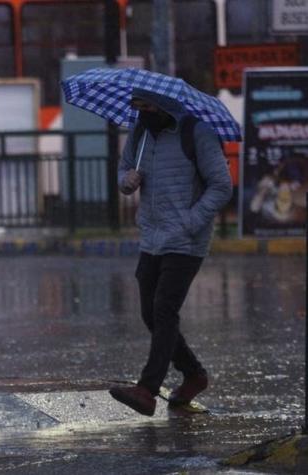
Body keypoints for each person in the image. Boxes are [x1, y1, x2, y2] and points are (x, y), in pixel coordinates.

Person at [109, 89, 232, 416]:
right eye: (137, 107)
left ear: (164, 105)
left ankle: (147, 389)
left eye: (147, 106)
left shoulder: (197, 133)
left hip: (186, 240)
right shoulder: (141, 133)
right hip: (152, 236)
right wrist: (127, 181)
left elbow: (222, 186)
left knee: (164, 308)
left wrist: (191, 221)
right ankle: (193, 375)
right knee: (150, 313)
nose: (141, 113)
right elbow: (123, 169)